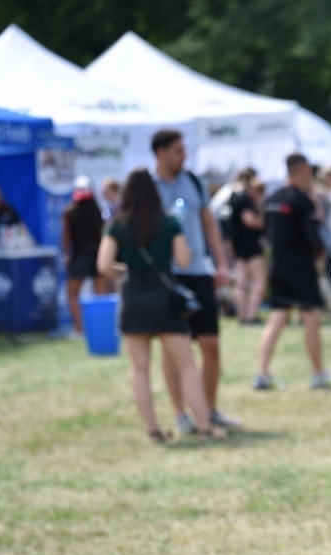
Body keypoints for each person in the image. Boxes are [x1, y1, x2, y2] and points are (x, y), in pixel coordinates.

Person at [96, 169, 226, 444]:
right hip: (164, 299)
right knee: (187, 366)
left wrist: (126, 268)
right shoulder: (168, 222)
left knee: (140, 368)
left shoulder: (117, 225)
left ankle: (153, 430)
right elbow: (183, 257)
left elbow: (103, 266)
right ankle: (205, 426)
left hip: (133, 297)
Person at [151, 129, 240, 434]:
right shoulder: (149, 187)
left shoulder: (193, 182)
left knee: (210, 345)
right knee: (172, 349)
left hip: (199, 272)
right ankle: (180, 414)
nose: (183, 155)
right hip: (167, 275)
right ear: (160, 152)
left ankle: (209, 409)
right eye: (177, 150)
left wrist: (221, 264)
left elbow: (209, 225)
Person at [253, 154, 331, 390]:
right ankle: (318, 373)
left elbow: (266, 231)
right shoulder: (302, 201)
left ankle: (262, 373)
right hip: (301, 266)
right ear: (303, 170)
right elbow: (313, 236)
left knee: (277, 318)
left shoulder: (271, 199)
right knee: (311, 318)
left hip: (278, 264)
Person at [62, 176, 108, 335]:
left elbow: (66, 237)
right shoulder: (98, 211)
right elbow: (105, 236)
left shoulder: (70, 211)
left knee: (73, 293)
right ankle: (102, 328)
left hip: (82, 256)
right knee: (101, 296)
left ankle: (79, 329)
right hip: (96, 256)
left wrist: (66, 254)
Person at [225, 170, 266, 325]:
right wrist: (264, 223)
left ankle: (242, 315)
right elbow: (249, 220)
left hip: (238, 245)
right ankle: (251, 315)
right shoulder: (244, 198)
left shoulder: (233, 196)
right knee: (259, 279)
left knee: (242, 280)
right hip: (250, 245)